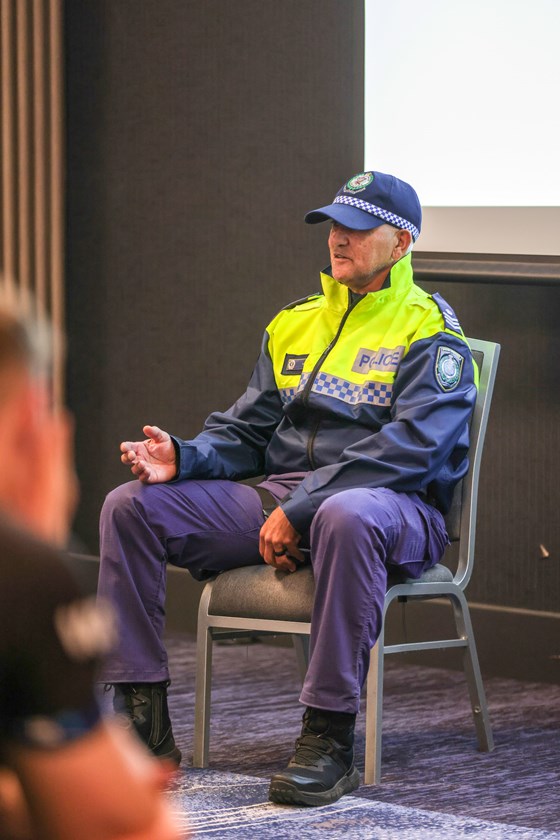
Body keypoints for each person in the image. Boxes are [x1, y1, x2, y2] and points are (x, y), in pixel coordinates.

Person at [98, 170, 477, 807]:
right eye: (334, 225)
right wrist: (182, 457)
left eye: (358, 228)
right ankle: (142, 724)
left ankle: (328, 738)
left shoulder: (431, 330)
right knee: (131, 507)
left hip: (397, 508)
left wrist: (304, 508)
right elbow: (246, 433)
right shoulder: (294, 322)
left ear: (402, 243)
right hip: (288, 500)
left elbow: (411, 451)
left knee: (346, 515)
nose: (339, 238)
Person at [0, 299, 181, 839]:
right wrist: (39, 543)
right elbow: (126, 827)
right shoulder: (25, 578)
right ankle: (137, 709)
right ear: (32, 415)